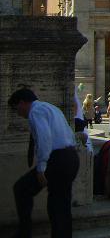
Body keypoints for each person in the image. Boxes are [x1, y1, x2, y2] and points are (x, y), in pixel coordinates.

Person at [10, 88, 80, 238]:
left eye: (16, 109)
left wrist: (41, 167)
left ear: (22, 103)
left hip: (58, 159)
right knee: (61, 203)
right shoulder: (51, 108)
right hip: (70, 157)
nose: (18, 114)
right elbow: (68, 133)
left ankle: (24, 232)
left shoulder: (35, 112)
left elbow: (44, 138)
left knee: (22, 189)